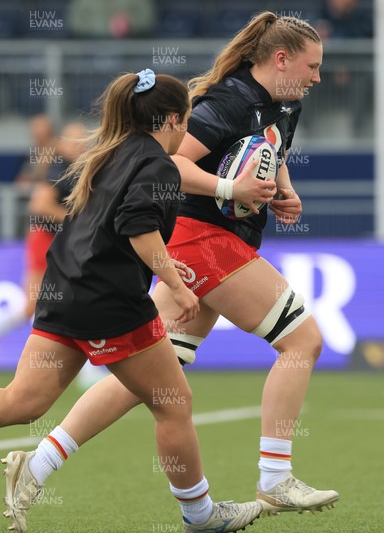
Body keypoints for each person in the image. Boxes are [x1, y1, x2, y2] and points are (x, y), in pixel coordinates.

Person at [5, 12, 339, 519]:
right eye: (312, 65)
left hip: (152, 261)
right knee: (301, 340)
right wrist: (231, 192)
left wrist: (282, 191)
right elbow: (175, 164)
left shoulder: (280, 104)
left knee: (151, 378)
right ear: (280, 58)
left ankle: (39, 465)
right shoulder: (228, 100)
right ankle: (274, 478)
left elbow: (266, 149)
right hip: (201, 241)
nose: (317, 76)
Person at [0, 69, 263, 533]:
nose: (189, 131)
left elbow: (113, 232)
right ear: (173, 121)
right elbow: (137, 226)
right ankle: (202, 517)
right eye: (187, 121)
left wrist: (165, 268)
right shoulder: (158, 164)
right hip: (110, 304)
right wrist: (179, 289)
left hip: (67, 292)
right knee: (174, 403)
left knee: (22, 402)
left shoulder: (110, 152)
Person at [0, 123, 87, 339]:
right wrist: (78, 220)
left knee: (73, 299)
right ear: (63, 143)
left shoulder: (71, 168)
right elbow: (39, 205)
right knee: (33, 305)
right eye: (76, 142)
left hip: (60, 241)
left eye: (84, 141)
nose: (81, 147)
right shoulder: (59, 169)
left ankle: (87, 366)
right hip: (45, 238)